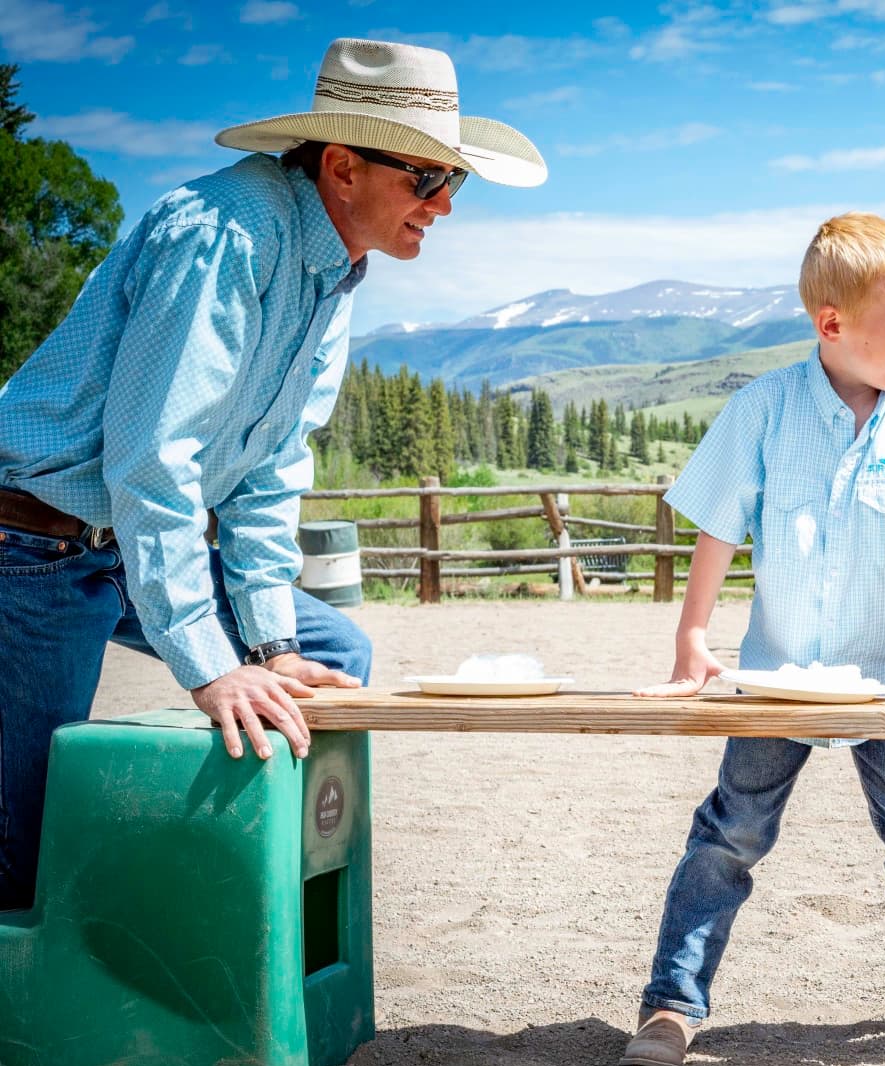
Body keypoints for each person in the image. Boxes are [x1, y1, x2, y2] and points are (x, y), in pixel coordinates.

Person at [0, 39, 546, 911]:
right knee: (20, 841)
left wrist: (270, 646)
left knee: (328, 658)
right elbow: (154, 462)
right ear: (341, 168)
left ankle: (253, 905)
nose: (443, 207)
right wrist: (215, 668)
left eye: (454, 183)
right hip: (31, 540)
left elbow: (268, 470)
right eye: (424, 180)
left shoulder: (336, 268)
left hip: (120, 537)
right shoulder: (225, 236)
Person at [624, 213, 885, 1066]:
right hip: (776, 679)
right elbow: (717, 527)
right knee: (729, 835)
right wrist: (693, 635)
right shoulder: (763, 407)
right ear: (832, 323)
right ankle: (670, 1005)